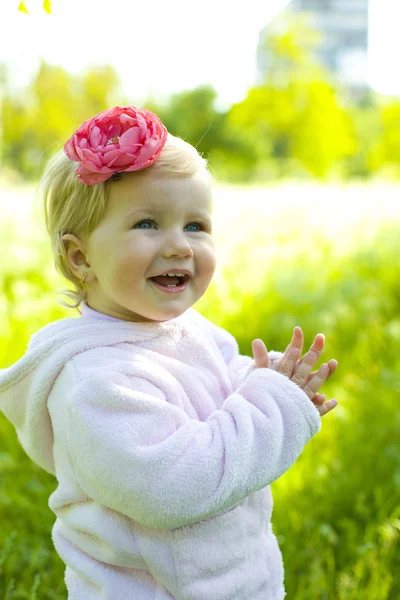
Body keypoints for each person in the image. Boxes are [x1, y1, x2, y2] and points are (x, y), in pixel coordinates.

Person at [0, 106, 338, 600]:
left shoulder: (184, 329)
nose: (180, 246)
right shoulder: (96, 382)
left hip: (222, 578)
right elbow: (178, 487)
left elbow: (227, 383)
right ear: (80, 257)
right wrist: (272, 406)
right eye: (147, 224)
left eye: (196, 226)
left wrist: (278, 384)